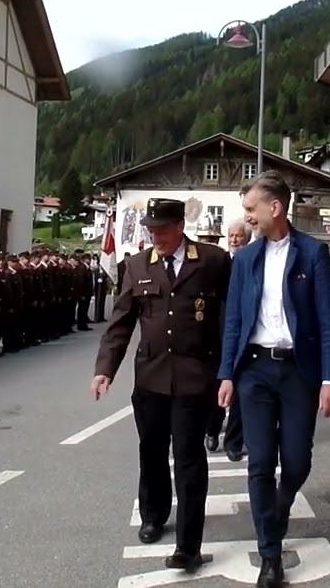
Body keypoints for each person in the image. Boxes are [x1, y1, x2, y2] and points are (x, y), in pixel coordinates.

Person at [217, 172, 330, 588]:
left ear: (276, 207)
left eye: (251, 209)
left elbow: (329, 323)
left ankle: (281, 502)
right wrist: (227, 375)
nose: (247, 218)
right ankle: (269, 554)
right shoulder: (244, 260)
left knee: (297, 460)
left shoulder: (313, 254)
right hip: (253, 370)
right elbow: (233, 321)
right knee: (259, 461)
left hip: (297, 372)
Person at [92, 197, 231, 573]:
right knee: (152, 451)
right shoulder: (137, 266)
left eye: (163, 230)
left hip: (195, 377)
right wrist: (105, 368)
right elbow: (121, 323)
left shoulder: (213, 261)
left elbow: (227, 318)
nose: (157, 237)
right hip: (151, 377)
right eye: (151, 231)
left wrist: (227, 370)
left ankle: (189, 545)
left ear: (180, 226)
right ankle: (153, 514)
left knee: (189, 459)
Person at [206, 219, 254, 460]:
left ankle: (234, 441)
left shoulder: (256, 262)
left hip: (247, 334)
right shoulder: (221, 263)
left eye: (239, 236)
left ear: (248, 238)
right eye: (231, 235)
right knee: (218, 385)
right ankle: (212, 429)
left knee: (242, 388)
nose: (234, 240)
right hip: (219, 333)